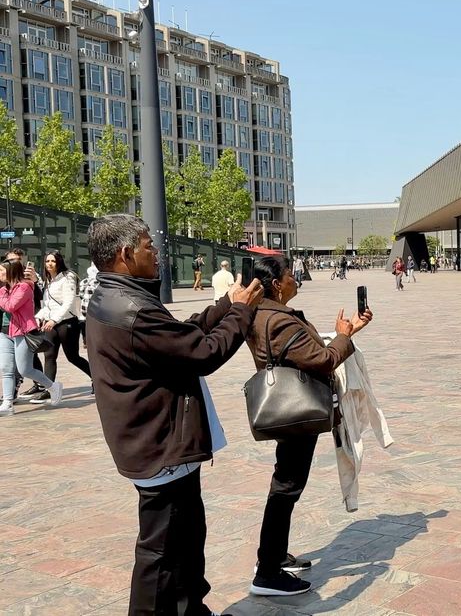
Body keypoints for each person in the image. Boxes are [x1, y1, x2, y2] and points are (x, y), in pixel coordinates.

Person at [85, 214, 263, 615]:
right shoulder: (131, 308)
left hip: (157, 441)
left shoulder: (117, 297)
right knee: (160, 553)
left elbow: (180, 335)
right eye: (149, 246)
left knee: (184, 539)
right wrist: (241, 313)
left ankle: (190, 609)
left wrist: (225, 306)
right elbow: (202, 353)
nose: (157, 253)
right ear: (126, 254)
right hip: (159, 443)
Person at [245, 256, 371, 596]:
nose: (295, 278)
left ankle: (271, 556)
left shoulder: (262, 313)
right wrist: (343, 338)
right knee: (286, 487)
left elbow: (306, 352)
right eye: (290, 274)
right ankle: (268, 572)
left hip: (288, 407)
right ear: (276, 284)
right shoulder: (279, 321)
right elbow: (323, 360)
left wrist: (347, 334)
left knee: (285, 485)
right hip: (295, 412)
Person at [0, 257, 62, 409]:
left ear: (11, 272)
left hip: (23, 331)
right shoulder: (4, 289)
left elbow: (11, 306)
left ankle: (53, 386)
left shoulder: (24, 287)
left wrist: (1, 296)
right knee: (6, 368)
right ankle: (8, 402)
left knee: (24, 369)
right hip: (5, 331)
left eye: (1, 271)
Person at [36, 250, 91, 386]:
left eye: (53, 261)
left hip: (67, 323)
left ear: (59, 262)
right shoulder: (48, 280)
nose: (50, 264)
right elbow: (49, 305)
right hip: (51, 324)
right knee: (49, 356)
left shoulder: (68, 277)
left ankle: (96, 378)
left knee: (73, 357)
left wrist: (54, 320)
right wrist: (38, 317)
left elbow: (68, 302)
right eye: (47, 261)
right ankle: (49, 390)